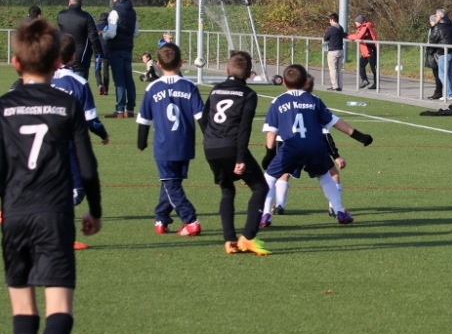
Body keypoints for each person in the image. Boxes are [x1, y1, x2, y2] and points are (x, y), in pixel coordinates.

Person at [0, 18, 101, 334]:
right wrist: (95, 210)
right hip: (54, 215)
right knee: (60, 310)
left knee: (23, 311)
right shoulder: (67, 104)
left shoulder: (2, 106)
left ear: (15, 61)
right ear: (58, 61)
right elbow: (89, 166)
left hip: (15, 216)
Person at [262, 64, 373, 226]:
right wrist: (359, 136)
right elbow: (335, 122)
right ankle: (339, 211)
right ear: (304, 81)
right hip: (315, 146)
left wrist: (269, 154)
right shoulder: (314, 100)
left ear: (284, 82)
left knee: (269, 178)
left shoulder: (278, 101)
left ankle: (265, 214)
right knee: (325, 176)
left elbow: (271, 132)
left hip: (291, 146)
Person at [200, 51, 270, 255]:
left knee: (227, 189)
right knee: (259, 187)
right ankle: (248, 237)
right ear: (249, 75)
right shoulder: (248, 94)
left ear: (226, 70)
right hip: (232, 146)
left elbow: (204, 119)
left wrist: (211, 139)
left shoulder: (215, 90)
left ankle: (229, 240)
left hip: (211, 147)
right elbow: (244, 128)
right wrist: (240, 157)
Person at [136, 43, 204, 237]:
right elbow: (201, 117)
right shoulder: (190, 86)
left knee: (171, 183)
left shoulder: (152, 88)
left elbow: (143, 120)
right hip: (185, 144)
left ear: (158, 64)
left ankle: (190, 220)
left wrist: (141, 142)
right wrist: (210, 137)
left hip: (164, 145)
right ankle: (161, 218)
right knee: (171, 182)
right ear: (181, 62)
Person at [52, 34, 110, 251]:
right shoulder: (79, 83)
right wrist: (103, 134)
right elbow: (91, 120)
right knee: (75, 192)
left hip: (36, 146)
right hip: (68, 147)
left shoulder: (40, 80)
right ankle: (62, 237)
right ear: (74, 56)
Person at [104, 0, 139, 118]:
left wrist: (104, 35)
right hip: (128, 48)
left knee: (119, 80)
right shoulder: (133, 12)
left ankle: (119, 110)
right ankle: (130, 109)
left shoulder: (115, 12)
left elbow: (112, 33)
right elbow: (136, 32)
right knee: (129, 79)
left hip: (116, 49)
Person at [56, 0, 102, 80]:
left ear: (69, 2)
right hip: (81, 57)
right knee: (79, 85)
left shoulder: (61, 15)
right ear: (81, 3)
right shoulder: (86, 16)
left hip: (64, 54)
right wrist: (98, 52)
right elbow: (93, 36)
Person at [431, 9, 452, 101]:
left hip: (443, 52)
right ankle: (450, 94)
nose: (435, 17)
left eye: (436, 15)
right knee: (450, 74)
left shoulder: (438, 27)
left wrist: (432, 51)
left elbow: (433, 40)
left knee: (442, 74)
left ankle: (449, 94)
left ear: (440, 16)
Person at [347, 15, 378, 90]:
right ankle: (365, 80)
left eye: (356, 22)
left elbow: (358, 37)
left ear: (360, 22)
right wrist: (350, 37)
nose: (355, 24)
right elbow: (357, 36)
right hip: (366, 51)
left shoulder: (365, 27)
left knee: (373, 68)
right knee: (361, 65)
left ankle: (375, 83)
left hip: (371, 50)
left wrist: (348, 36)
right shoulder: (361, 28)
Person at [323, 14, 346, 91]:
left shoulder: (332, 29)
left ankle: (335, 85)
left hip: (333, 50)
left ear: (332, 20)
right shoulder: (340, 28)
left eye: (330, 20)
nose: (329, 22)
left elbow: (325, 38)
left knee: (333, 69)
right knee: (339, 69)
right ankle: (340, 85)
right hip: (341, 50)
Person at [425, 14, 444, 100]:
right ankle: (438, 91)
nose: (430, 22)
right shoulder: (434, 29)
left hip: (436, 54)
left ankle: (439, 92)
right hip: (436, 53)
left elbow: (432, 42)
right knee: (437, 74)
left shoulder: (435, 29)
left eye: (431, 20)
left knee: (438, 74)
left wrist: (430, 51)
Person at [93, 11, 110, 95]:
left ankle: (99, 84)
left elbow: (93, 38)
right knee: (106, 70)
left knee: (97, 69)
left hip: (97, 50)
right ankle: (106, 89)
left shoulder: (96, 27)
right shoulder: (109, 27)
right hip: (107, 50)